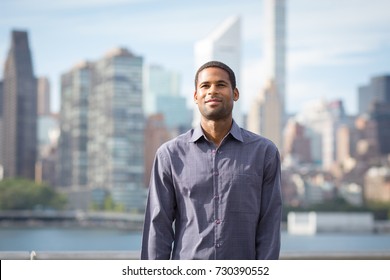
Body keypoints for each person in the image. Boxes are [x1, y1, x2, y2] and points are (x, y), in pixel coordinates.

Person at [141, 61, 282, 260]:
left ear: (235, 94)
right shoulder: (169, 155)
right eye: (205, 86)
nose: (212, 91)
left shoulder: (264, 152)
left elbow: (269, 225)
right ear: (195, 96)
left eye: (221, 85)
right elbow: (158, 227)